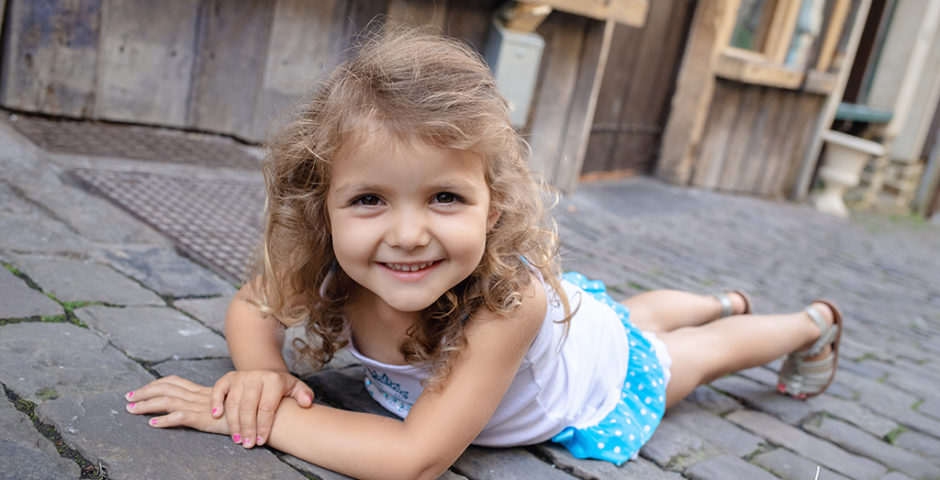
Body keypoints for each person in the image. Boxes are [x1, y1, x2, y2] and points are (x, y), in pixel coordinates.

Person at [123, 28, 842, 479]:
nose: (408, 234)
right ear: (324, 209)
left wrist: (254, 418)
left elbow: (415, 459)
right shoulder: (322, 259)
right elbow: (253, 304)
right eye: (370, 199)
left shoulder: (509, 298)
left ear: (492, 209)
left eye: (445, 198)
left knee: (682, 354)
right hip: (578, 325)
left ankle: (805, 323)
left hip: (595, 374)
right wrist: (261, 374)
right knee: (627, 311)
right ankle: (721, 298)